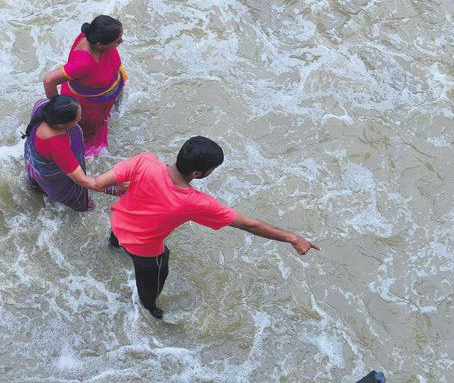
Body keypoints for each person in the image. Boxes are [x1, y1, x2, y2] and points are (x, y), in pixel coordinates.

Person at [105, 136, 320, 319]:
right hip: (145, 251)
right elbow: (249, 224)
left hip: (118, 223)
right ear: (197, 174)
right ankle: (150, 312)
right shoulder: (195, 203)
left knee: (118, 240)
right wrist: (292, 237)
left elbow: (109, 181)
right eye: (212, 169)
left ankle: (113, 247)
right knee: (151, 291)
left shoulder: (146, 161)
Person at [42, 15, 126, 158]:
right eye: (117, 42)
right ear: (100, 45)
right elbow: (49, 80)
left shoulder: (93, 34)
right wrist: (60, 110)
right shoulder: (83, 62)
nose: (121, 42)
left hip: (105, 96)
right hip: (89, 110)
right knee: (87, 141)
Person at [22, 95, 126, 212]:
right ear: (61, 124)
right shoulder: (57, 146)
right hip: (54, 177)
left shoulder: (42, 107)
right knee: (85, 206)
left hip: (36, 161)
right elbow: (83, 180)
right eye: (77, 120)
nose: (80, 119)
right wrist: (112, 189)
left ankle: (36, 187)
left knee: (37, 186)